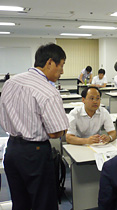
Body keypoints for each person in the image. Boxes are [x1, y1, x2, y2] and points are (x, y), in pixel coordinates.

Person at [0, 43, 69, 210]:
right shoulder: (48, 91)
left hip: (12, 150)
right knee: (43, 203)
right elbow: (55, 133)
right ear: (50, 62)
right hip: (35, 154)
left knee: (20, 202)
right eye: (62, 65)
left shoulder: (11, 83)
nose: (62, 72)